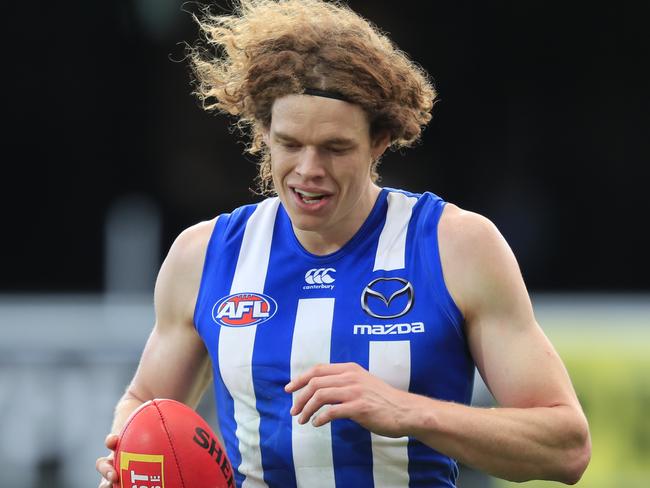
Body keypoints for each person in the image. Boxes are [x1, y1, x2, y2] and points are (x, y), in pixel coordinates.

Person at [96, 0, 591, 486]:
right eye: (290, 144)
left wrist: (407, 411)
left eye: (335, 148)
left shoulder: (456, 245)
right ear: (263, 132)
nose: (309, 170)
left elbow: (566, 448)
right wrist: (129, 457)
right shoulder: (202, 256)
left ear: (379, 141)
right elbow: (144, 402)